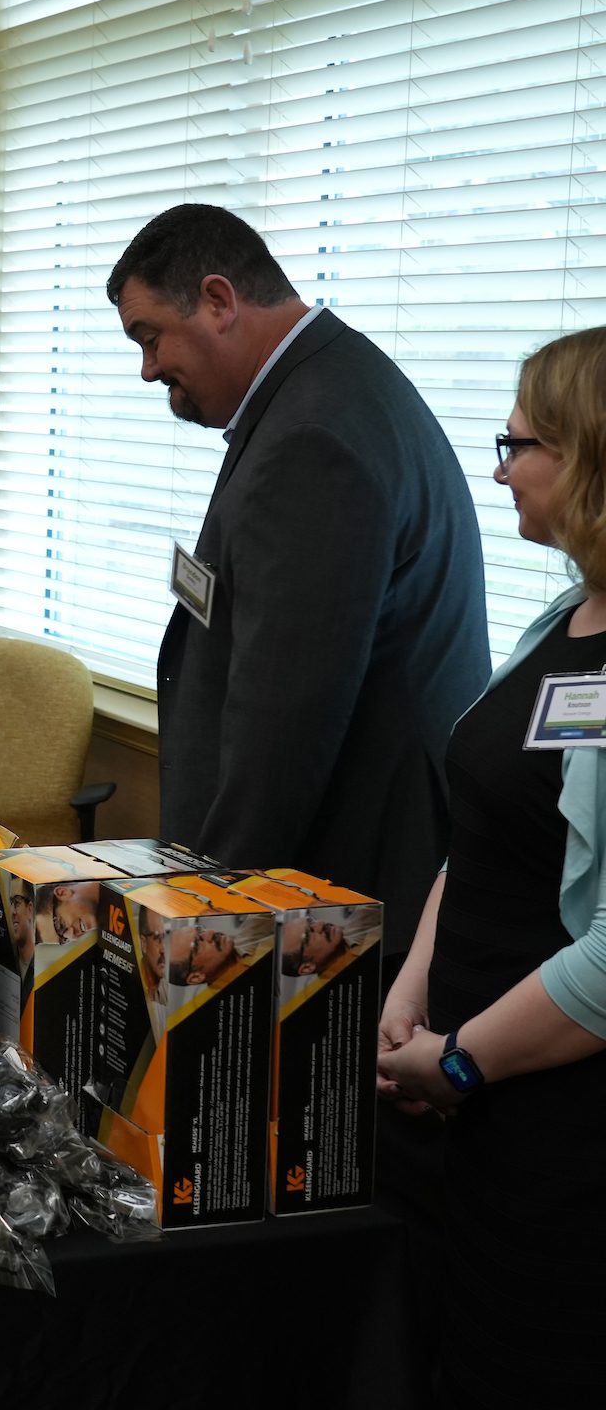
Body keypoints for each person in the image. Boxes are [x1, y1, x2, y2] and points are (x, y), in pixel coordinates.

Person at [107, 204, 490, 957]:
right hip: (346, 859)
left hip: (340, 878)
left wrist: (213, 916)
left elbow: (283, 726)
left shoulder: (313, 435)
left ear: (218, 301)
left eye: (150, 338)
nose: (148, 369)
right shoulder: (322, 387)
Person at [377, 326, 606, 1410]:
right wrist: (414, 979)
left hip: (565, 1145)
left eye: (520, 444)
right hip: (476, 1125)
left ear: (591, 455)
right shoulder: (563, 621)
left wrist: (461, 1060)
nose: (501, 467)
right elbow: (487, 830)